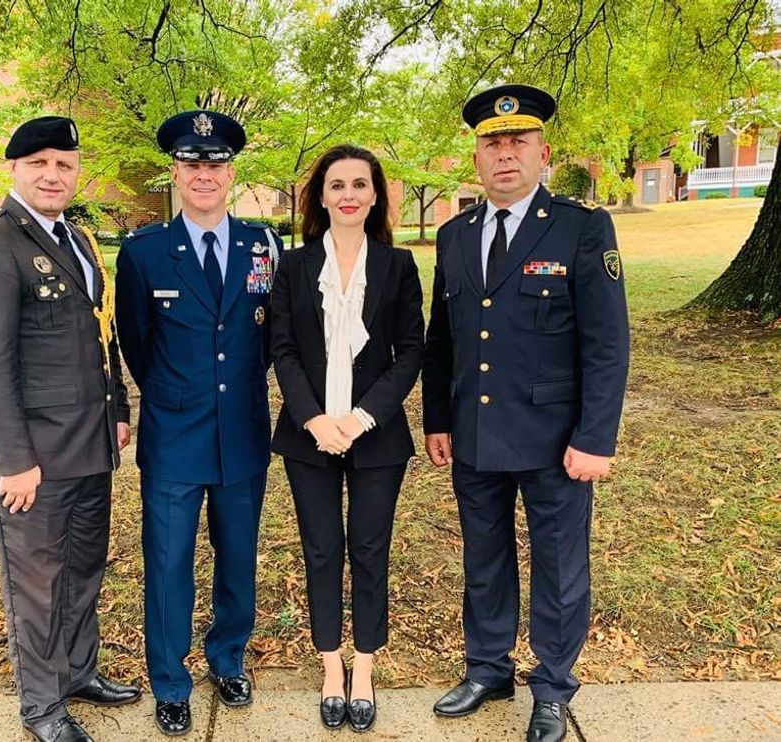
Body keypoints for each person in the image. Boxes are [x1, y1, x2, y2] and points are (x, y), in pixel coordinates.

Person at [422, 84, 630, 742]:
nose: (504, 154)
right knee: (484, 557)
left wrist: (596, 437)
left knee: (560, 565)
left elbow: (606, 343)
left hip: (555, 441)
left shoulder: (580, 227)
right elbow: (443, 338)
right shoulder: (454, 235)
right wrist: (437, 419)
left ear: (543, 153)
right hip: (476, 434)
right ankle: (488, 667)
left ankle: (552, 685)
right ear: (476, 158)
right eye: (492, 143)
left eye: (518, 142)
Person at [0, 116, 141, 742]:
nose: (53, 175)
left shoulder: (79, 240)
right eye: (39, 164)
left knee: (84, 570)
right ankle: (40, 708)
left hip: (88, 447)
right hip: (31, 461)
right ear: (15, 170)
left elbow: (98, 332)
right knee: (35, 586)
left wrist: (116, 409)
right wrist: (13, 459)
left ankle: (78, 673)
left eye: (64, 163)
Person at [114, 110, 282, 737]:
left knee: (237, 556)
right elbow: (136, 341)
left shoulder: (263, 244)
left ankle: (228, 658)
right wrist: (177, 397)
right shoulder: (146, 252)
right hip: (174, 435)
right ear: (176, 172)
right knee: (168, 563)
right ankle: (170, 681)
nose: (203, 174)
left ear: (230, 172)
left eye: (214, 164)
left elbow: (269, 339)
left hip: (241, 430)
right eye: (192, 164)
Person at [270, 144, 424, 733]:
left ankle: (364, 667)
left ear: (376, 195)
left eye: (361, 184)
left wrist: (361, 419)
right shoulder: (293, 265)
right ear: (320, 197)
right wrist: (314, 419)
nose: (350, 195)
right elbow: (281, 348)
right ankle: (330, 665)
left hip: (376, 437)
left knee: (368, 549)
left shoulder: (399, 265)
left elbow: (411, 348)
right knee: (321, 550)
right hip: (308, 434)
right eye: (337, 185)